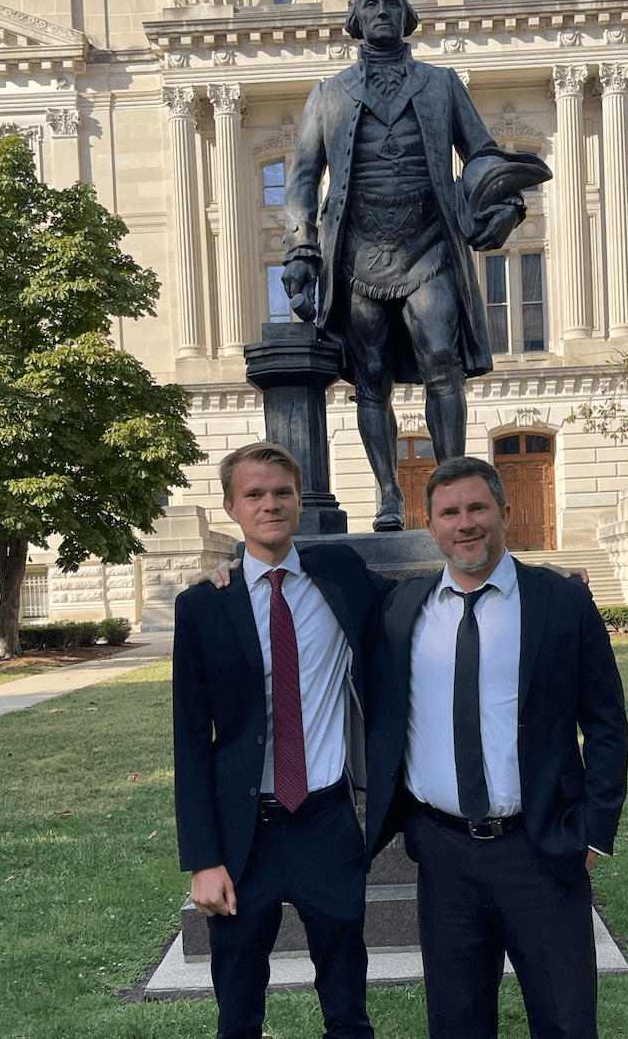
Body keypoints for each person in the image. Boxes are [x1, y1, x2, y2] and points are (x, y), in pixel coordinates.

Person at [364, 456, 628, 1039]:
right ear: (429, 525)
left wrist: (591, 831)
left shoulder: (560, 602)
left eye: (477, 507)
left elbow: (607, 724)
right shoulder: (399, 608)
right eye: (449, 512)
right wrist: (233, 571)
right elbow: (314, 570)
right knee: (457, 1025)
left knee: (564, 1022)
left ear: (504, 512)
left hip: (540, 848)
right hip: (442, 854)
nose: (466, 524)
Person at [282, 0, 546, 531]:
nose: (381, 12)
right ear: (355, 19)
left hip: (429, 245)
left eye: (392, 3)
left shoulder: (441, 84)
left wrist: (503, 205)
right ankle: (387, 495)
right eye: (371, 4)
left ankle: (452, 486)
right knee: (369, 377)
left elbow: (481, 155)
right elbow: (304, 178)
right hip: (357, 256)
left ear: (408, 17)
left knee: (442, 362)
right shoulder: (327, 94)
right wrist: (301, 249)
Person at [172, 441, 391, 1039]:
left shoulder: (340, 574)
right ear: (230, 507)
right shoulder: (202, 606)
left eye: (282, 493)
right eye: (254, 494)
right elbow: (189, 740)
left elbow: (412, 599)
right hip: (245, 837)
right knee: (238, 1010)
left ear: (298, 502)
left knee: (348, 1003)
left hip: (326, 822)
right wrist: (203, 859)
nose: (270, 504)